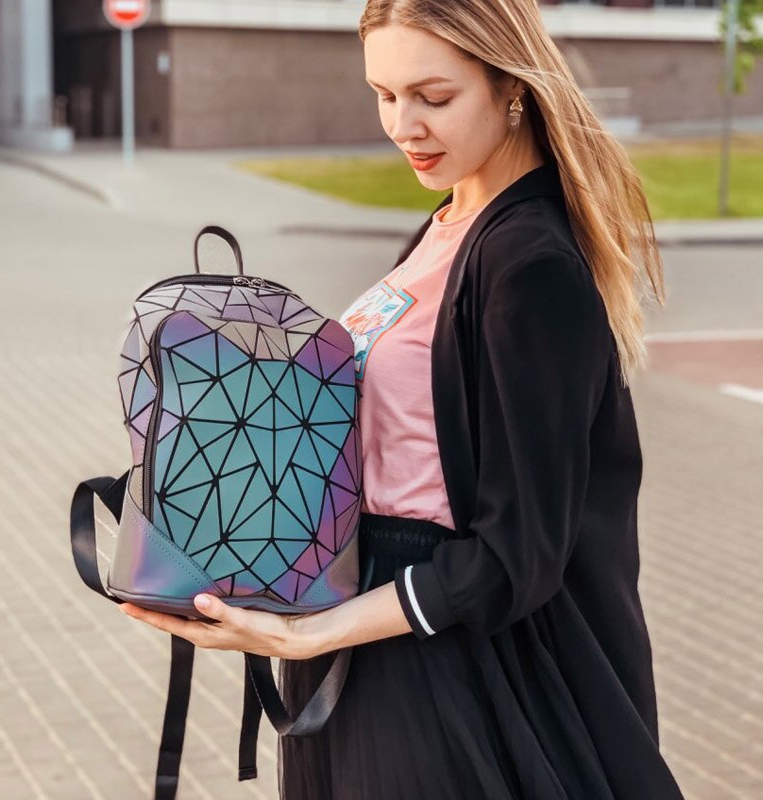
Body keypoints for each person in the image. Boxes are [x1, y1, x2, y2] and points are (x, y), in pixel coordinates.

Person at [120, 1, 687, 798]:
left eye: (433, 96)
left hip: (450, 669)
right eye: (384, 94)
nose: (402, 124)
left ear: (511, 86)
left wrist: (309, 632)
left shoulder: (530, 265)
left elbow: (516, 554)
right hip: (368, 644)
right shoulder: (450, 222)